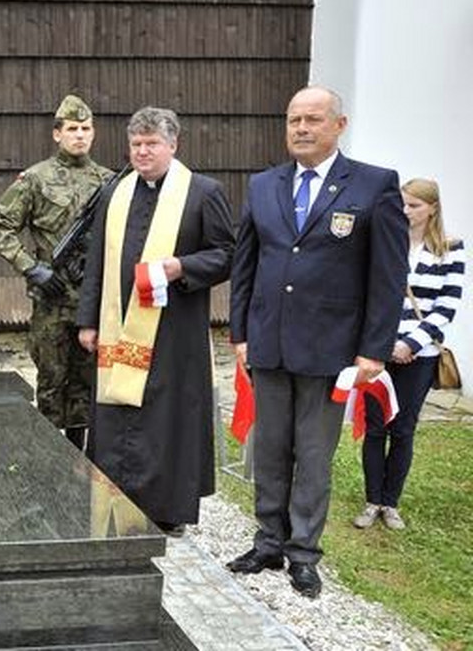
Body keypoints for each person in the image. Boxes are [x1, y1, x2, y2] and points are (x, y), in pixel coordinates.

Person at [227, 86, 409, 598]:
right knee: (269, 450)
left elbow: (388, 277)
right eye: (293, 120)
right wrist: (240, 332)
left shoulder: (374, 186)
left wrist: (374, 349)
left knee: (312, 454)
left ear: (339, 125)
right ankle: (268, 541)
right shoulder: (264, 185)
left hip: (331, 350)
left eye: (312, 119)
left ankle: (303, 552)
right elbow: (246, 266)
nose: (301, 129)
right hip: (268, 344)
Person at [76, 106, 234, 535]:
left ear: (173, 144)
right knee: (116, 412)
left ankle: (166, 510)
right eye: (136, 144)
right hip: (116, 324)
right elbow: (96, 262)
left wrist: (181, 267)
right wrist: (87, 320)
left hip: (173, 329)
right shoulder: (115, 192)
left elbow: (227, 254)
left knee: (166, 416)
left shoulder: (203, 192)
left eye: (151, 144)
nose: (142, 152)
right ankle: (113, 499)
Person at [0, 94, 113, 449]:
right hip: (52, 301)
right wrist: (31, 268)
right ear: (57, 134)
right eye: (72, 129)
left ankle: (83, 462)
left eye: (86, 128)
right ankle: (48, 461)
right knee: (52, 382)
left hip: (93, 300)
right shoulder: (35, 179)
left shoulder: (109, 182)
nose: (80, 136)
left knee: (87, 386)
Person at [354, 178, 465, 531]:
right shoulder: (389, 243)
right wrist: (385, 343)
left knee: (403, 428)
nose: (406, 211)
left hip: (422, 354)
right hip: (381, 349)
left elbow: (445, 306)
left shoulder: (450, 249)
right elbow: (372, 294)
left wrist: (411, 343)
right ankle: (372, 500)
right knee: (375, 426)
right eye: (403, 204)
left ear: (432, 208)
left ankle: (391, 502)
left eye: (414, 205)